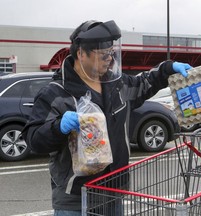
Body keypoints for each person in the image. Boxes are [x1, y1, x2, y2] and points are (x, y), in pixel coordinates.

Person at [22, 19, 192, 216]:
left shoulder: (117, 85)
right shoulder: (56, 93)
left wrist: (168, 69)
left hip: (113, 192)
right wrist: (59, 126)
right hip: (76, 199)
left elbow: (145, 83)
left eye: (112, 53)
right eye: (103, 54)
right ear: (80, 53)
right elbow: (33, 138)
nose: (109, 59)